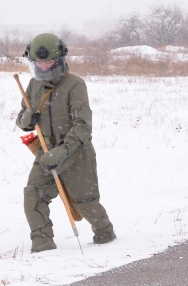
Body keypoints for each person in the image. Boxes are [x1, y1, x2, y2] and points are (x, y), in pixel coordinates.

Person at [16, 33, 115, 252]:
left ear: (60, 59)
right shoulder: (33, 85)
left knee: (85, 202)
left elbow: (83, 125)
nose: (44, 66)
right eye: (38, 63)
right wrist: (26, 119)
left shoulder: (75, 84)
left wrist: (64, 150)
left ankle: (104, 230)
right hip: (45, 151)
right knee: (34, 195)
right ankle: (42, 242)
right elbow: (22, 119)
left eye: (49, 61)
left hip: (75, 152)